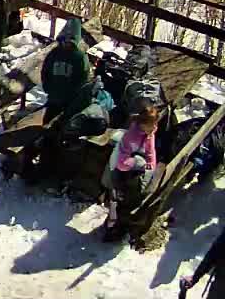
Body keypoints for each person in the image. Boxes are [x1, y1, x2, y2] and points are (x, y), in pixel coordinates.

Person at [104, 103, 161, 241]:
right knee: (116, 195)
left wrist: (150, 165)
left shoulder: (150, 132)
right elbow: (122, 163)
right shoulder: (132, 137)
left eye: (155, 125)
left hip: (136, 164)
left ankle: (123, 221)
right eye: (151, 125)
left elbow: (150, 150)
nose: (154, 128)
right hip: (120, 166)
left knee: (135, 193)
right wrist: (139, 163)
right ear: (142, 124)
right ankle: (113, 223)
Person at [42, 18, 96, 125]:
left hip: (69, 100)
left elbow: (82, 79)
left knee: (62, 125)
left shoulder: (79, 57)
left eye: (70, 40)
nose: (67, 43)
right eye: (65, 40)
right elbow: (45, 71)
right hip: (54, 98)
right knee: (47, 123)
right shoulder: (54, 54)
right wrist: (48, 88)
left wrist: (73, 95)